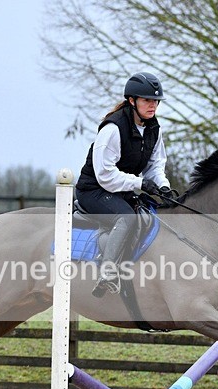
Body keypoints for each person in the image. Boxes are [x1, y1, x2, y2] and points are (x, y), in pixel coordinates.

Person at [75, 71, 176, 297]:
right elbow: (106, 176)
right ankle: (107, 273)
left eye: (156, 101)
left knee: (151, 214)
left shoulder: (153, 129)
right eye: (147, 100)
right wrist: (140, 183)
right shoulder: (112, 129)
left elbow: (156, 164)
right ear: (132, 101)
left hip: (120, 190)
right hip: (94, 191)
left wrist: (162, 186)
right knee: (127, 218)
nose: (153, 106)